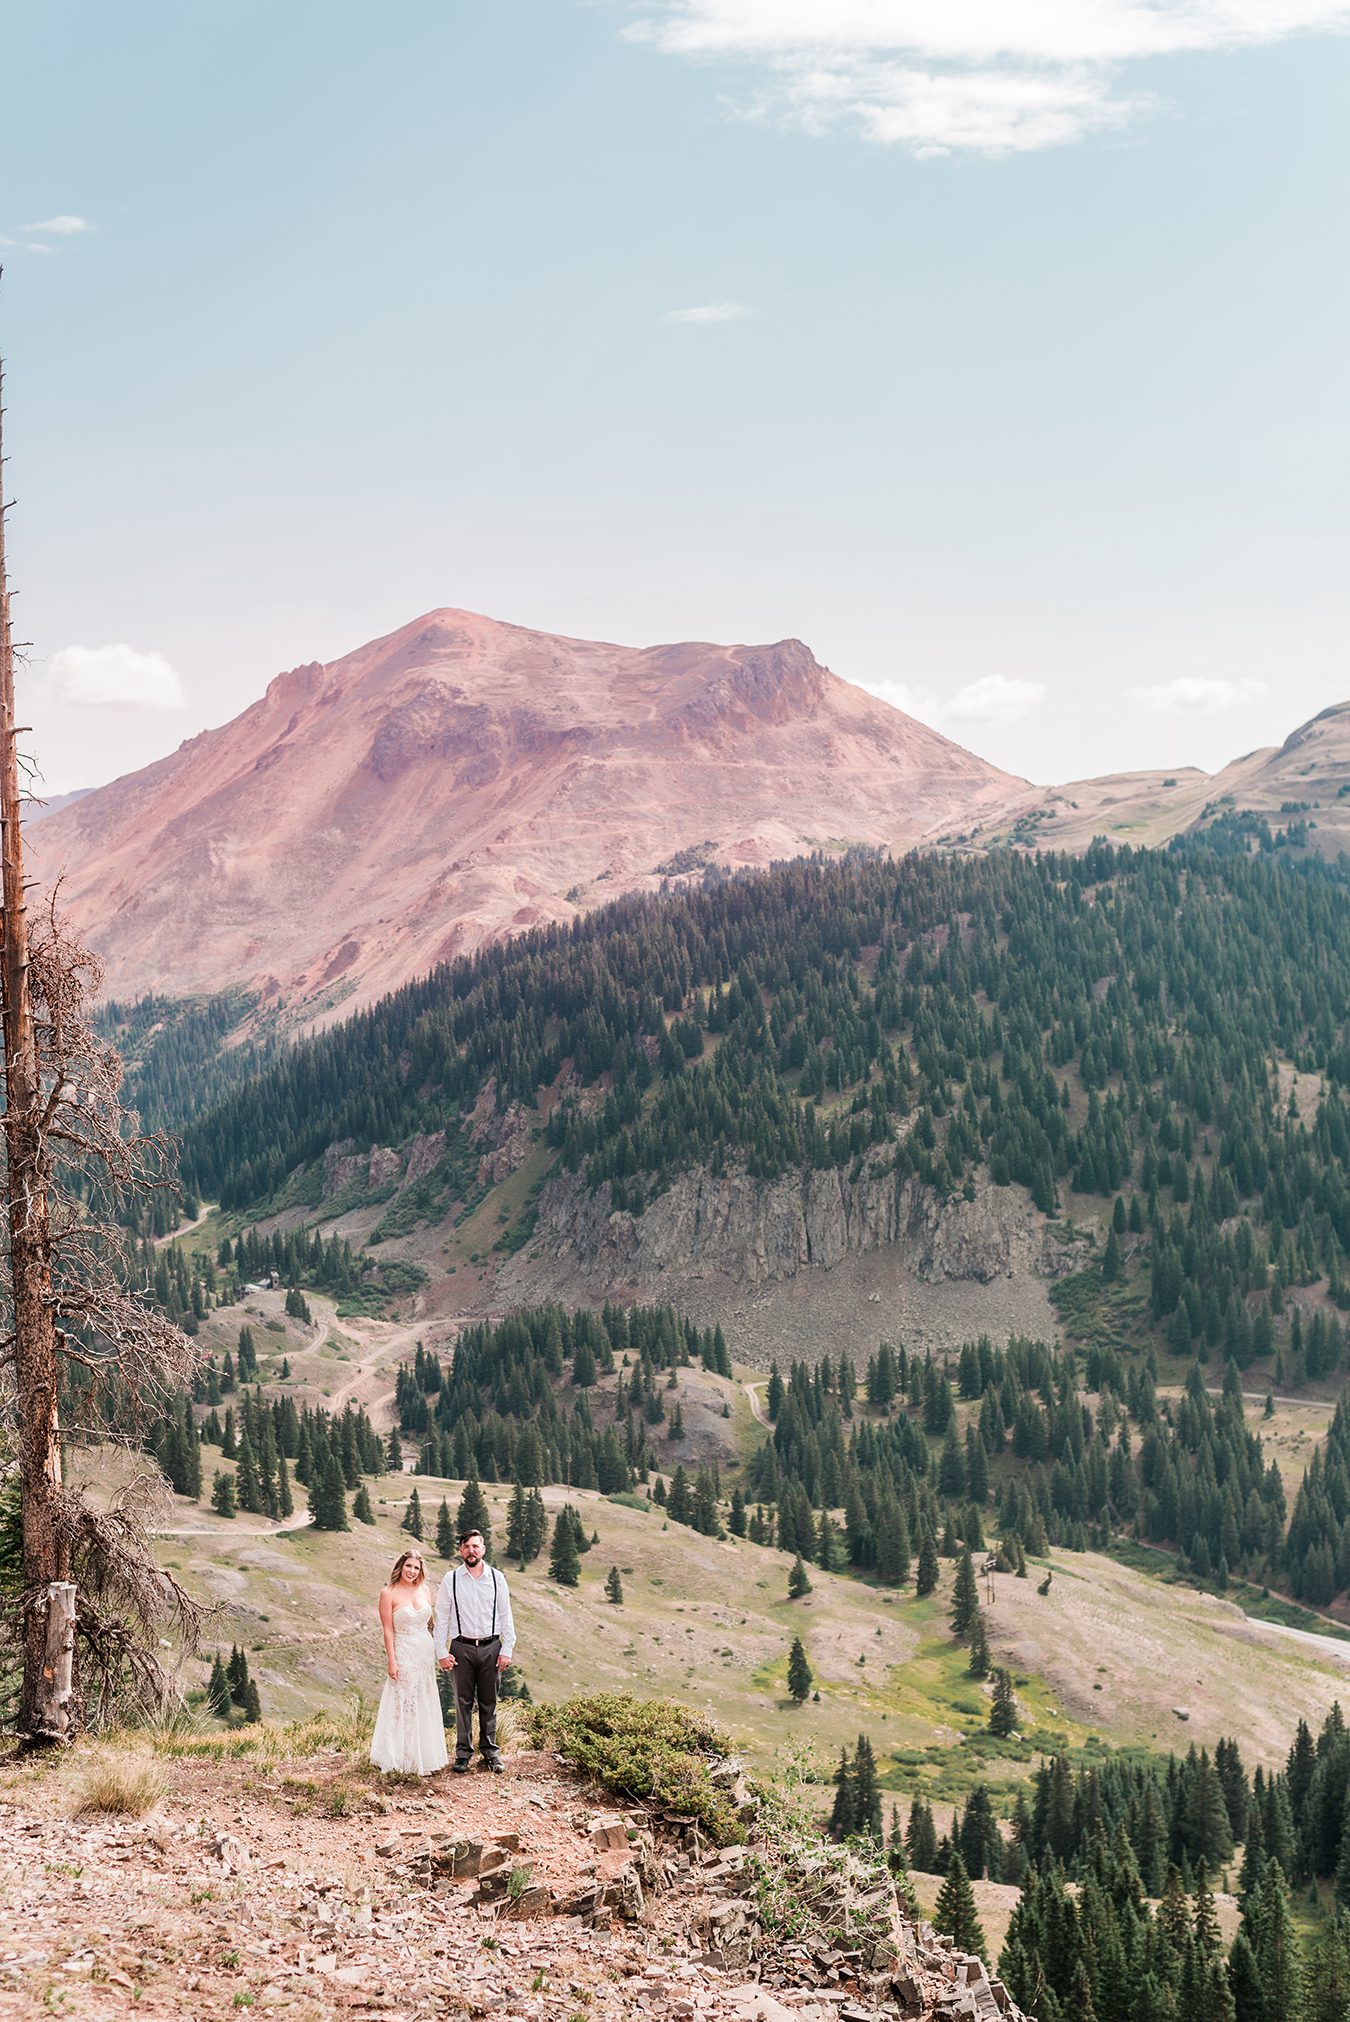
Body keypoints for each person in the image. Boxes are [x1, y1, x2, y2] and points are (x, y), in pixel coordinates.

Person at [434, 1525, 516, 1773]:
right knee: (462, 1703)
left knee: (489, 1702)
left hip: (492, 1646)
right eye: (467, 1546)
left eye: (475, 1546)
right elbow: (442, 1616)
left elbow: (506, 1614)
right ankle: (462, 1754)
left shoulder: (496, 1578)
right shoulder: (451, 1579)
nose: (471, 1551)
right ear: (461, 1550)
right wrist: (441, 1652)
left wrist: (507, 1648)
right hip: (461, 1648)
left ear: (483, 1549)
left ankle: (490, 1752)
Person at [370, 1549, 449, 1775]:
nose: (412, 1571)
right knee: (401, 1703)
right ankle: (396, 1756)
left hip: (424, 1653)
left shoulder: (424, 1590)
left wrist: (440, 1651)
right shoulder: (388, 1593)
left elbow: (430, 1624)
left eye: (416, 1567)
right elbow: (388, 1630)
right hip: (403, 1652)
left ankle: (422, 1756)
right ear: (400, 1566)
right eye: (408, 1566)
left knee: (422, 1700)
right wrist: (391, 1660)